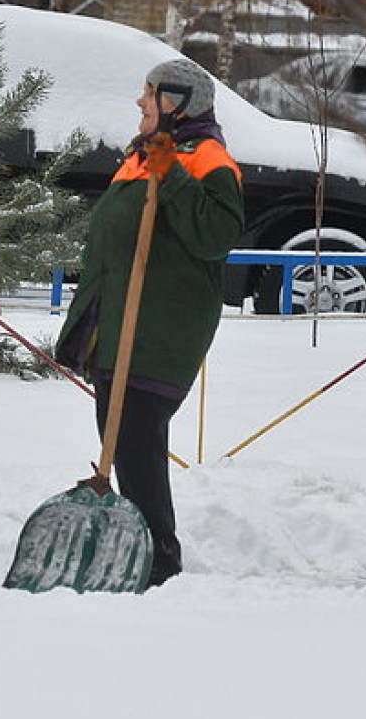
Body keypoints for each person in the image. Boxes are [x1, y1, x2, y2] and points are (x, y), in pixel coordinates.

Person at [54, 58, 245, 587]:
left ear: (176, 103)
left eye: (149, 93)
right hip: (117, 323)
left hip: (160, 327)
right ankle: (137, 546)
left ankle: (160, 560)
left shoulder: (209, 158)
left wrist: (174, 176)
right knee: (120, 438)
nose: (139, 103)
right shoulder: (142, 156)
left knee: (136, 440)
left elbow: (215, 237)